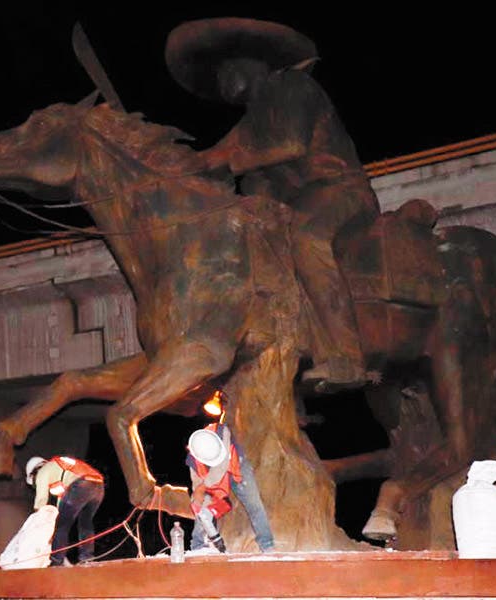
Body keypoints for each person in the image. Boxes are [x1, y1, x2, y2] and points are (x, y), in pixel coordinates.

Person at [165, 18, 381, 391]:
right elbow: (213, 154)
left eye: (226, 69)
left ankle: (346, 356)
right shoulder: (252, 120)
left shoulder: (292, 86)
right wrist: (170, 166)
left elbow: (290, 144)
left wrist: (230, 163)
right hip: (297, 204)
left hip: (339, 190)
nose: (221, 80)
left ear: (252, 62)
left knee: (306, 239)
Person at [187, 422, 275, 552]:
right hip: (211, 479)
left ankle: (267, 545)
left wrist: (202, 487)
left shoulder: (222, 431)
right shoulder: (194, 461)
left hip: (238, 467)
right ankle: (198, 545)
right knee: (201, 507)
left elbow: (221, 467)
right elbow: (199, 491)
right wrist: (200, 501)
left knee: (254, 504)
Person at [25, 455, 105, 567]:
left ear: (33, 473)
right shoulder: (57, 470)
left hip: (81, 485)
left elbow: (41, 499)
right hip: (98, 485)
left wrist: (37, 518)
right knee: (85, 523)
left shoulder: (42, 472)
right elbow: (62, 501)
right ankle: (87, 558)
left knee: (61, 525)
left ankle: (56, 560)